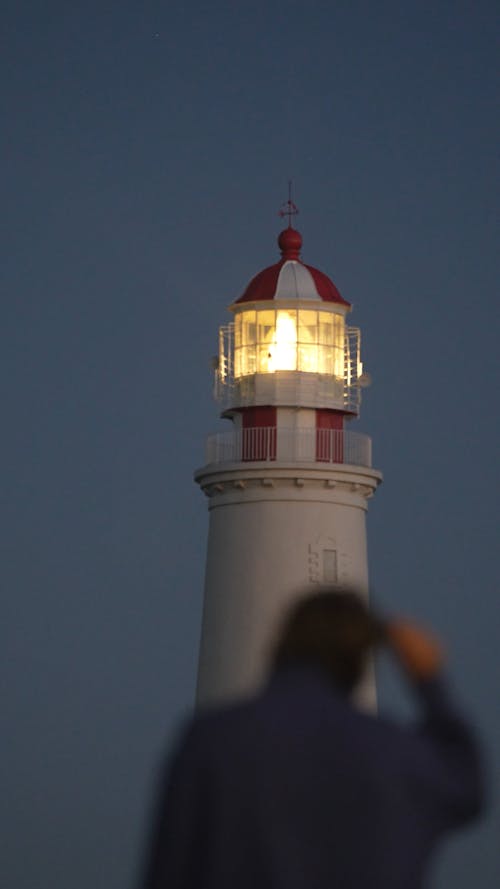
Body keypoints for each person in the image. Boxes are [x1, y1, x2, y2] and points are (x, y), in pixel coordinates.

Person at [139, 590, 484, 889]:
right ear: (361, 657)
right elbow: (468, 786)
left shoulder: (210, 741)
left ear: (280, 642)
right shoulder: (397, 753)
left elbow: (168, 872)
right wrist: (430, 681)